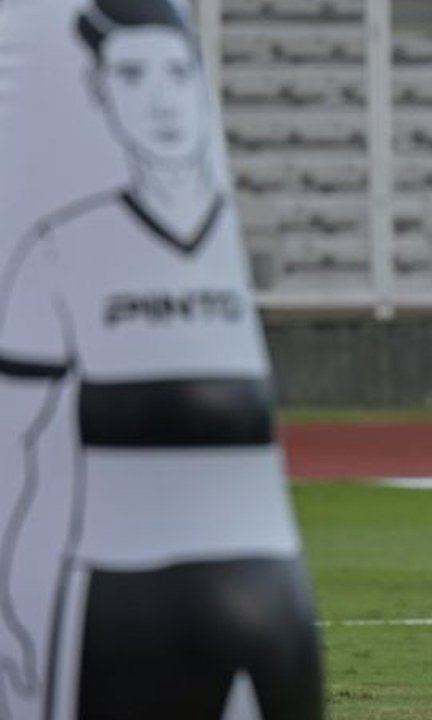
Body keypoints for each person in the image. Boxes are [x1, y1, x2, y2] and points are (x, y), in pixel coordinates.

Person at [0, 1, 323, 717]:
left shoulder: (211, 238)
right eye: (133, 75)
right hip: (115, 600)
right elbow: (17, 450)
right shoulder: (58, 249)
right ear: (99, 91)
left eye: (176, 73)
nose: (162, 99)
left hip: (265, 602)